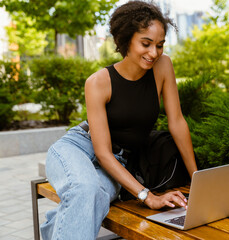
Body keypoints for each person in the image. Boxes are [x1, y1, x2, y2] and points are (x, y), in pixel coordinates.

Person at [40, 1, 198, 239]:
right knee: (85, 190)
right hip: (77, 148)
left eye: (160, 45)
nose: (153, 53)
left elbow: (177, 122)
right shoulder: (98, 82)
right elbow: (101, 152)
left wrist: (198, 180)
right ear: (126, 39)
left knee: (90, 198)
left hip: (119, 162)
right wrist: (147, 196)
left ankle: (54, 226)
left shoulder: (163, 67)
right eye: (145, 44)